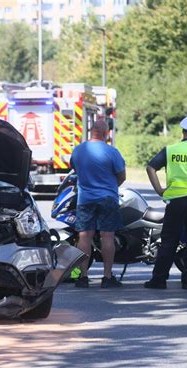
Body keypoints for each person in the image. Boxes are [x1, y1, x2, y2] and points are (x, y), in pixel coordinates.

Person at [144, 115, 187, 290]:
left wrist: (159, 190)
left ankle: (159, 280)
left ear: (184, 132)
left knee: (169, 240)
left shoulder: (170, 150)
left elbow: (150, 168)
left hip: (175, 202)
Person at [70, 119, 126, 288]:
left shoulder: (78, 150)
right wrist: (110, 187)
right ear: (105, 133)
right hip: (107, 198)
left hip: (85, 199)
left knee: (84, 236)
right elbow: (122, 176)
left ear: (91, 131)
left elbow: (75, 169)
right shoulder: (112, 152)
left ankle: (83, 277)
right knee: (107, 236)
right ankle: (107, 277)